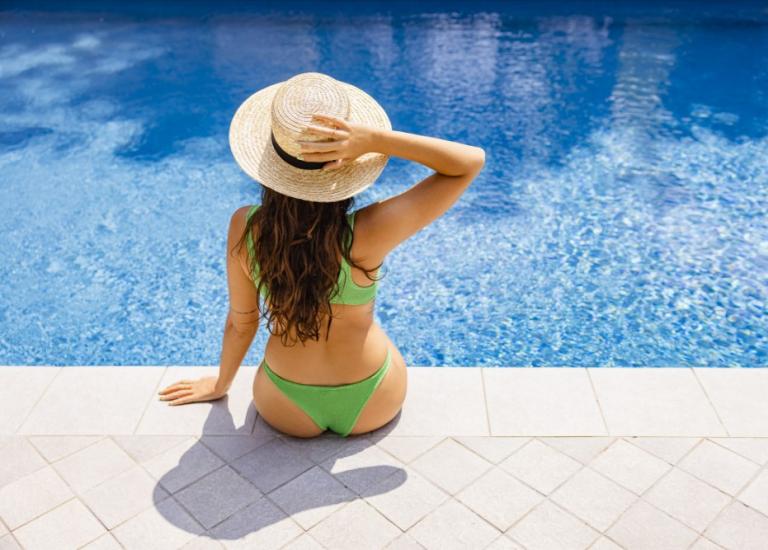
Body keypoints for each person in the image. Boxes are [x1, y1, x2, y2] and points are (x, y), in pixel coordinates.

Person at [158, 72, 485, 438]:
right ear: (347, 165)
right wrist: (375, 140)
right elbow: (468, 163)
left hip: (285, 402)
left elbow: (242, 322)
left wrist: (220, 383)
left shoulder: (246, 228)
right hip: (373, 397)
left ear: (271, 165)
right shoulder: (371, 230)